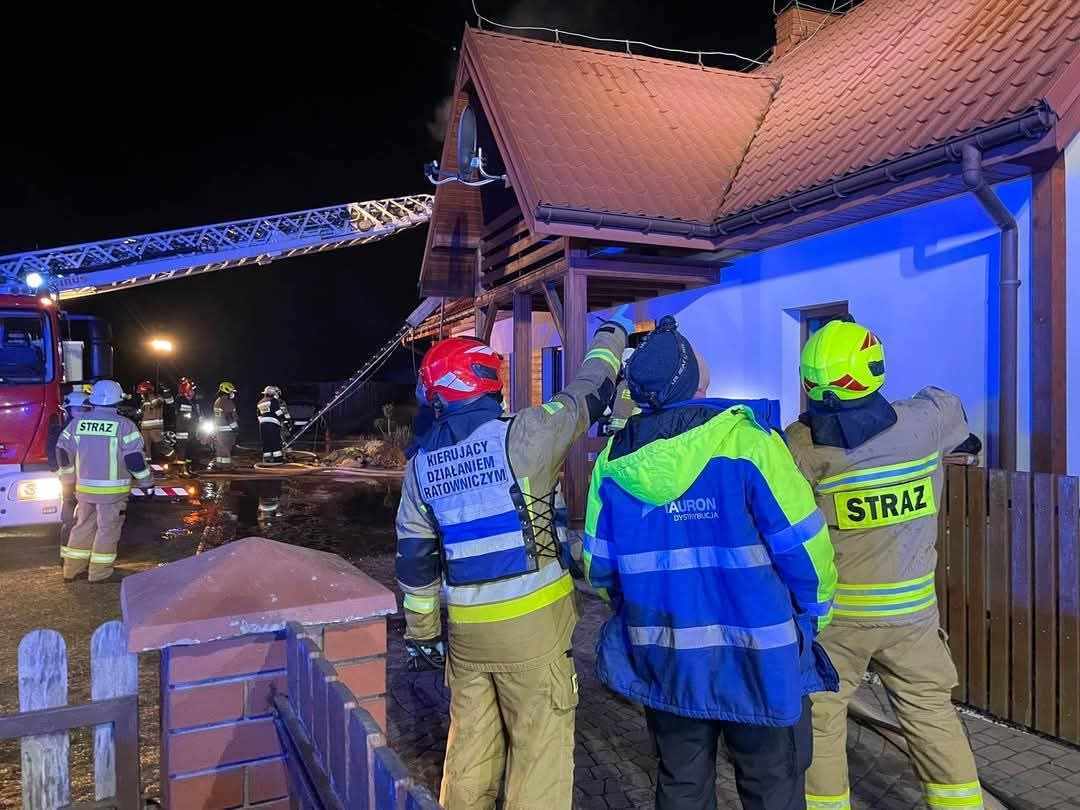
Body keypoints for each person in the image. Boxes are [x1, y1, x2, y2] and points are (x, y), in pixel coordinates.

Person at [584, 315, 838, 810]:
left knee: (682, 784)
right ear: (697, 386)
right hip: (760, 656)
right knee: (772, 787)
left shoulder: (613, 464)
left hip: (668, 657)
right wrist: (815, 615)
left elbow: (599, 568)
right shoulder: (749, 444)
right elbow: (804, 547)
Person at [394, 315, 628, 810]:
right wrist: (611, 336)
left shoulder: (420, 467)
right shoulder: (526, 435)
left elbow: (415, 565)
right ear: (486, 384)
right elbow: (589, 391)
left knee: (469, 756)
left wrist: (423, 636)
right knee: (538, 757)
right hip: (533, 636)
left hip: (467, 639)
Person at [785, 318, 985, 810]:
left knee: (822, 719)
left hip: (837, 621)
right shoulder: (926, 423)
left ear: (809, 383)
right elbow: (951, 410)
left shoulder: (801, 446)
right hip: (912, 616)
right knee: (931, 714)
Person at [55, 380, 153, 583]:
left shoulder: (77, 423)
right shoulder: (125, 426)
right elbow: (134, 460)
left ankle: (72, 571)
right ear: (117, 400)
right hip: (112, 493)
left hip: (84, 490)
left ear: (93, 399)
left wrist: (68, 480)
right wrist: (146, 483)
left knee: (82, 527)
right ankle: (100, 573)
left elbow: (63, 453)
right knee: (107, 530)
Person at [55, 386, 92, 564]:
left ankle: (78, 559)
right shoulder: (63, 431)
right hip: (74, 485)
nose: (82, 413)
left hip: (84, 484)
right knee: (73, 522)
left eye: (85, 409)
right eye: (79, 409)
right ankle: (69, 559)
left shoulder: (79, 430)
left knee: (83, 522)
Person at [257, 385, 290, 465]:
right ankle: (278, 459)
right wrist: (285, 420)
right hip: (272, 424)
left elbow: (259, 415)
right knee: (275, 441)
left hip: (262, 425)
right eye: (277, 393)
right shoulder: (274, 401)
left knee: (266, 442)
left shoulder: (260, 402)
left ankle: (267, 459)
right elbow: (278, 412)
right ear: (273, 393)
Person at [174, 377, 199, 477]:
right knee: (182, 451)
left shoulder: (191, 401)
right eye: (191, 390)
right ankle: (182, 471)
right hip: (184, 430)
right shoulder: (181, 400)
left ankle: (188, 469)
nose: (193, 392)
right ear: (187, 390)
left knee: (189, 450)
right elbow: (185, 417)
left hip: (190, 430)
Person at [211, 381, 239, 469]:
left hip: (218, 430)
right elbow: (229, 417)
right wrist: (235, 428)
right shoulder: (227, 402)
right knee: (226, 449)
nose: (232, 394)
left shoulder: (217, 401)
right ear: (227, 391)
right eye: (231, 392)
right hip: (227, 431)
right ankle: (226, 466)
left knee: (220, 449)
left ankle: (220, 465)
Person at [135, 380, 163, 461]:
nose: (140, 395)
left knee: (159, 447)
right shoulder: (144, 401)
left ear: (146, 392)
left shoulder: (157, 398)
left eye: (141, 393)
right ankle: (147, 462)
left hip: (155, 428)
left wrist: (149, 395)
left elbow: (157, 404)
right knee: (145, 447)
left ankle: (172, 457)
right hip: (145, 428)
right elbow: (142, 414)